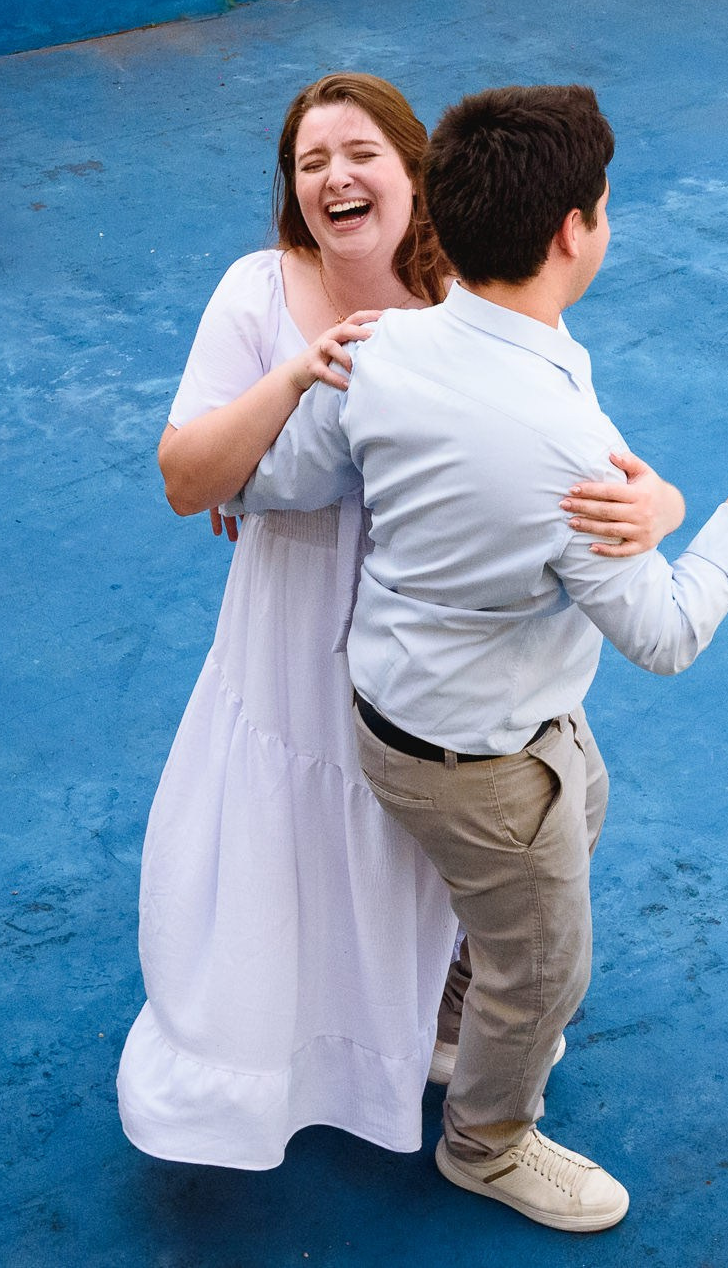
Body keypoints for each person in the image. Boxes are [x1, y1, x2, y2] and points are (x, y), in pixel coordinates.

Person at [226, 84, 728, 1230]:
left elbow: (282, 481)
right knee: (547, 968)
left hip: (406, 706)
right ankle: (484, 1136)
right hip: (481, 758)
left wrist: (640, 492)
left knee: (584, 801)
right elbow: (664, 634)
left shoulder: (391, 345)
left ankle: (455, 1023)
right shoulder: (552, 440)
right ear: (574, 230)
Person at [117, 73, 683, 1170]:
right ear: (291, 192)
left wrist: (656, 502)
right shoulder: (256, 293)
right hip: (295, 622)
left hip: (431, 628)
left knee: (469, 834)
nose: (334, 174)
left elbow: (579, 449)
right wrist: (293, 377)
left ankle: (438, 1021)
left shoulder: (462, 303)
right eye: (309, 159)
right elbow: (190, 476)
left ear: (413, 172)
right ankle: (310, 1054)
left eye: (359, 150)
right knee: (304, 836)